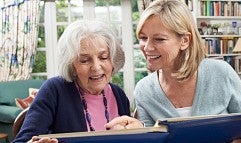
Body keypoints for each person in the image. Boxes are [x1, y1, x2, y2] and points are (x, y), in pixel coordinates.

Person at [133, 0, 241, 142]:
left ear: (184, 40)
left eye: (159, 39)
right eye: (143, 38)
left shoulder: (222, 73)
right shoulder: (144, 90)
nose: (147, 47)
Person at [13, 20, 143, 143]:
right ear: (72, 66)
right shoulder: (54, 90)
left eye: (103, 57)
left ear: (112, 60)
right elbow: (23, 140)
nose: (96, 67)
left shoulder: (118, 95)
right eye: (85, 60)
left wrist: (139, 133)